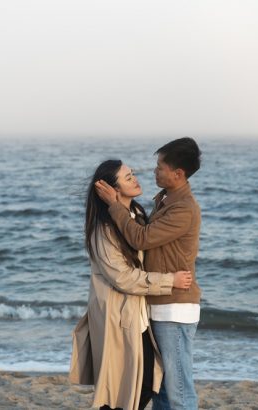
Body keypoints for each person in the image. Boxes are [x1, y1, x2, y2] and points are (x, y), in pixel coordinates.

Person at [69, 159, 193, 410]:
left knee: (143, 382)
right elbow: (123, 278)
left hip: (137, 315)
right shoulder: (104, 230)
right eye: (128, 177)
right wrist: (170, 281)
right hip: (118, 317)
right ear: (112, 189)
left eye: (133, 174)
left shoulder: (135, 216)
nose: (135, 179)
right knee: (128, 386)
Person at [95, 137, 202, 410]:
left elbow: (141, 239)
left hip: (174, 308)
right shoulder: (164, 200)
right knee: (162, 389)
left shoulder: (183, 208)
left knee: (178, 390)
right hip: (158, 306)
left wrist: (114, 205)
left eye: (160, 167)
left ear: (178, 173)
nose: (154, 171)